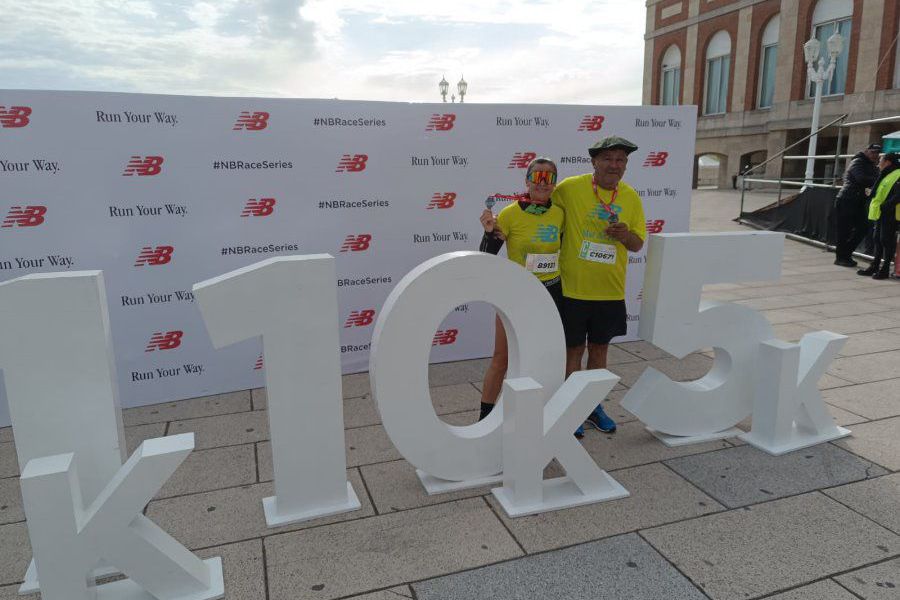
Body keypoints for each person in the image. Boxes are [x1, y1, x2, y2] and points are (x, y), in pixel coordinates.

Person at [552, 136, 647, 434]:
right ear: (594, 161)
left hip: (609, 289)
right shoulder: (569, 188)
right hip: (573, 288)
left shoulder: (630, 197)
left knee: (600, 351)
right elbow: (539, 207)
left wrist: (624, 235)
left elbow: (637, 244)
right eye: (607, 158)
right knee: (572, 351)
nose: (614, 165)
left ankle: (593, 406)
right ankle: (570, 409)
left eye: (620, 160)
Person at [478, 157, 571, 429]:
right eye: (538, 177)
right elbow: (487, 256)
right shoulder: (509, 214)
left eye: (550, 178)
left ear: (555, 183)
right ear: (527, 181)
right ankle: (484, 419)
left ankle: (546, 419)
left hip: (552, 293)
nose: (544, 184)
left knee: (546, 358)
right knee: (502, 358)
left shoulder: (559, 213)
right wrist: (488, 233)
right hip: (517, 295)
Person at [834, 143, 881, 267]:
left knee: (863, 227)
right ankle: (840, 257)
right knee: (844, 230)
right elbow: (861, 179)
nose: (875, 155)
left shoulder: (871, 165)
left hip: (857, 200)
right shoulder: (858, 161)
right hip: (847, 199)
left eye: (877, 153)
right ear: (866, 151)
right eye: (873, 152)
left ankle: (845, 253)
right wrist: (878, 179)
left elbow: (872, 178)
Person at [857, 152, 900, 279]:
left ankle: (885, 268)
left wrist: (884, 206)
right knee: (878, 239)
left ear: (888, 162)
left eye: (881, 160)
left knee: (886, 240)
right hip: (882, 213)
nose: (878, 163)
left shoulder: (897, 174)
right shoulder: (886, 174)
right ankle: (875, 266)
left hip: (890, 213)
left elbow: (898, 195)